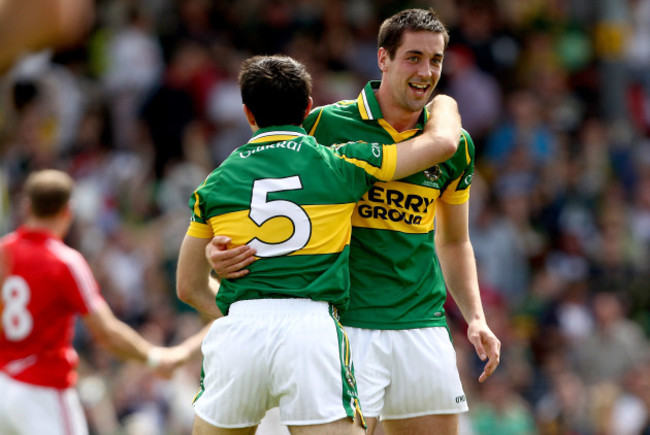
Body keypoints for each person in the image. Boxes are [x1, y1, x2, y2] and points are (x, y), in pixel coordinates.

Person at [206, 8, 501, 435]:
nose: (426, 71)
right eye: (413, 58)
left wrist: (475, 316)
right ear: (383, 59)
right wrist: (221, 247)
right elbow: (257, 188)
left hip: (423, 325)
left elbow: (454, 241)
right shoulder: (322, 125)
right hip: (347, 329)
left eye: (436, 60)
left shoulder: (457, 147)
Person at [0, 169, 203, 435]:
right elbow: (106, 332)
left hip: (4, 387)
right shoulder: (65, 262)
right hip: (44, 389)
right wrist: (152, 356)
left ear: (27, 206)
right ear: (67, 212)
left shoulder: (4, 251)